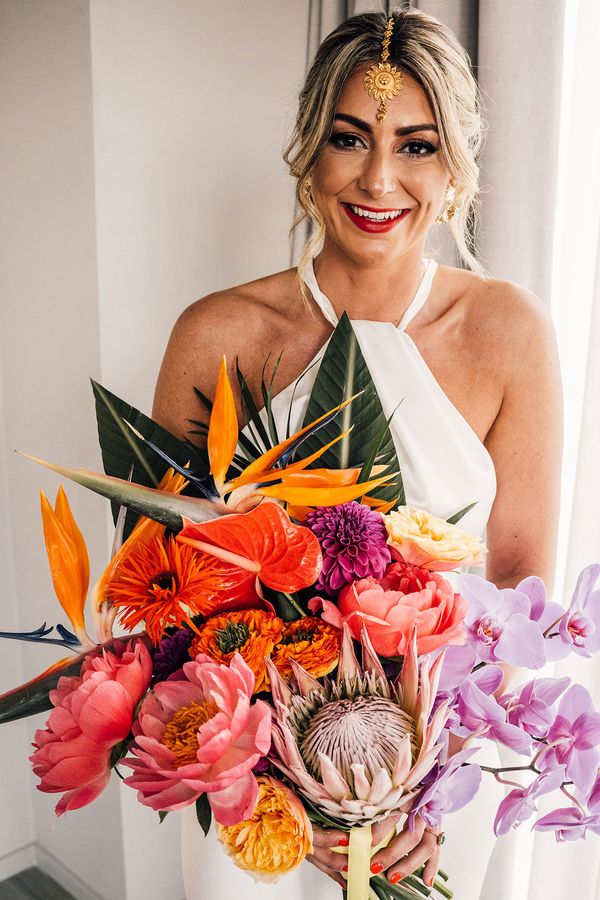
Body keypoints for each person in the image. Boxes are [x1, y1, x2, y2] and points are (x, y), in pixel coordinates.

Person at [152, 9, 562, 899]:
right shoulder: (220, 335)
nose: (379, 178)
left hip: (438, 779)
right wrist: (278, 789)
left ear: (455, 167)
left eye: (417, 145)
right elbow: (162, 589)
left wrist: (429, 783)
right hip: (258, 784)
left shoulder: (509, 333)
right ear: (308, 152)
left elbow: (524, 580)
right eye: (349, 138)